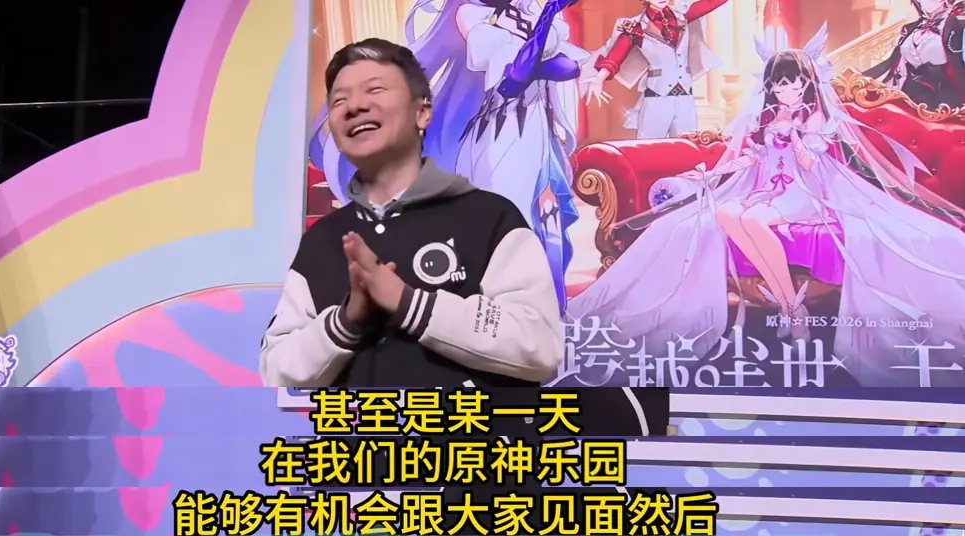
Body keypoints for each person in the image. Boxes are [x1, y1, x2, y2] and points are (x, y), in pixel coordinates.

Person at [567, 24, 965, 386]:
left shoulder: (814, 119)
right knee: (727, 213)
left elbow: (810, 166)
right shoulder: (766, 118)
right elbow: (751, 158)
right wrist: (714, 173)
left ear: (807, 85)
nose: (786, 94)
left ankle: (791, 310)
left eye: (793, 87)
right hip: (766, 191)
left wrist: (799, 139)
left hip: (804, 194)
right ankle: (791, 305)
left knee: (753, 222)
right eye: (779, 87)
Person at [262, 38, 564, 389]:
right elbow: (275, 369)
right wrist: (346, 321)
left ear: (422, 112)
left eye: (375, 90)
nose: (355, 106)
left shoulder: (491, 218)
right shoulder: (322, 240)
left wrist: (410, 303)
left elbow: (539, 345)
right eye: (339, 100)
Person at [311, 0, 595, 313]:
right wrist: (547, 21)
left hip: (535, 134)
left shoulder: (528, 14)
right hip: (498, 137)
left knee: (548, 226)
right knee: (506, 229)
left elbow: (568, 67)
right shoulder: (470, 14)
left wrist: (540, 40)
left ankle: (546, 310)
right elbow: (516, 78)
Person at [582, 0, 728, 139]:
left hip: (685, 97)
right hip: (657, 97)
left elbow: (710, 3)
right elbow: (617, 54)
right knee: (648, 147)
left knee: (687, 147)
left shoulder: (682, 16)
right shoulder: (636, 27)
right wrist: (599, 78)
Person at [865, 0, 965, 110]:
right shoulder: (911, 29)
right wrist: (861, 78)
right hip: (909, 96)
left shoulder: (957, 26)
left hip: (944, 101)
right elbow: (893, 64)